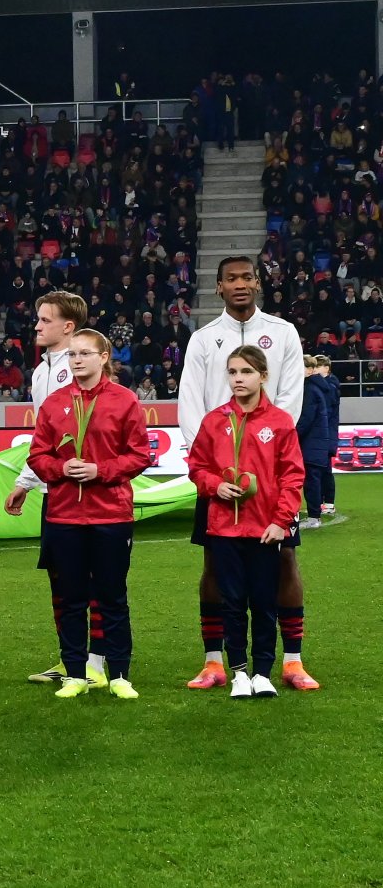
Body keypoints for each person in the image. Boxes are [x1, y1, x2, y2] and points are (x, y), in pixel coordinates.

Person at [176, 257, 315, 690]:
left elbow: (291, 397)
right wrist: (216, 470)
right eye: (231, 278)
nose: (240, 284)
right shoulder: (203, 339)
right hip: (219, 473)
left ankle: (291, 661)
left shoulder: (284, 332)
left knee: (286, 561)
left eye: (247, 277)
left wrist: (264, 453)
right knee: (215, 563)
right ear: (218, 287)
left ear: (258, 282)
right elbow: (191, 404)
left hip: (270, 470)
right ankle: (215, 661)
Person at [26, 332, 152, 700]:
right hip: (65, 516)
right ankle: (75, 676)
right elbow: (37, 455)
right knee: (70, 598)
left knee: (112, 596)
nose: (77, 360)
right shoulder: (54, 403)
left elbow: (140, 455)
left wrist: (101, 471)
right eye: (73, 354)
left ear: (103, 357)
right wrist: (61, 469)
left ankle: (120, 676)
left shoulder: (124, 401)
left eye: (85, 354)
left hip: (110, 514)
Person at [186, 346, 306, 699]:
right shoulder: (214, 421)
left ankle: (263, 673)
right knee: (233, 602)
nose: (238, 379)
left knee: (264, 603)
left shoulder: (280, 422)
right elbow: (197, 467)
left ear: (263, 376)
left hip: (265, 529)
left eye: (246, 372)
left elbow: (292, 476)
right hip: (223, 528)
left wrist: (281, 521)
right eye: (233, 372)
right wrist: (214, 486)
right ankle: (238, 673)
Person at [8, 291, 110, 685]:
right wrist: (26, 482)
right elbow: (45, 438)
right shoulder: (41, 372)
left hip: (90, 495)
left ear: (68, 327)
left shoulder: (82, 371)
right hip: (57, 494)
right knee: (62, 578)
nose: (36, 326)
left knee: (94, 580)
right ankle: (73, 660)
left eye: (45, 320)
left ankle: (97, 664)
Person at [299, 356, 335, 528]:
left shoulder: (310, 389)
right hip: (316, 442)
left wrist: (291, 435)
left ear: (309, 370)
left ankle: (314, 517)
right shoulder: (317, 387)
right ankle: (314, 514)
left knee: (311, 479)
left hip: (311, 443)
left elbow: (306, 418)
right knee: (312, 478)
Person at [314, 353, 341, 517]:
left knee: (325, 470)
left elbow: (329, 405)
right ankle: (319, 502)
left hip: (327, 433)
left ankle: (329, 503)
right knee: (319, 470)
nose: (315, 370)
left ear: (326, 368)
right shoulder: (326, 384)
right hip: (323, 433)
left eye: (317, 366)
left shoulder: (331, 385)